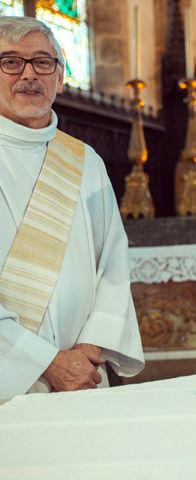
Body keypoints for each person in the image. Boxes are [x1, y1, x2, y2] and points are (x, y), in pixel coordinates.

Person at [0, 16, 144, 400]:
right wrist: (46, 362)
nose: (28, 74)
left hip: (84, 377)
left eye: (43, 62)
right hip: (10, 383)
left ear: (60, 79)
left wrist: (88, 352)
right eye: (11, 61)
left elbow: (113, 266)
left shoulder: (87, 162)